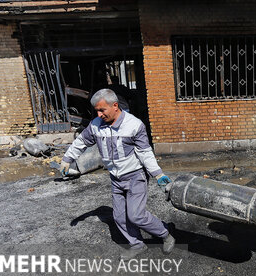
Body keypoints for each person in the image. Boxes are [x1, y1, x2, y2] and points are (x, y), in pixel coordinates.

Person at [60, 88, 175, 259]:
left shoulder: (134, 125)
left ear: (115, 106)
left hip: (136, 176)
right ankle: (137, 244)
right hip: (116, 178)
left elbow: (145, 152)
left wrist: (158, 175)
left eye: (102, 110)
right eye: (96, 111)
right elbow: (81, 142)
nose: (99, 114)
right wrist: (67, 159)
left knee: (136, 215)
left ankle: (165, 234)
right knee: (120, 217)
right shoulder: (96, 126)